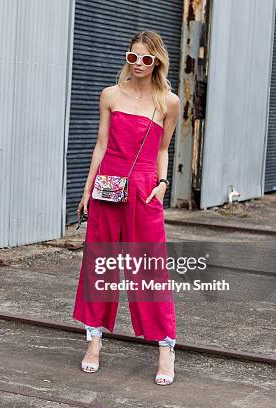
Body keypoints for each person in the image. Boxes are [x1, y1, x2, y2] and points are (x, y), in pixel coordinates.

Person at [73, 31, 180, 385]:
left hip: (144, 190)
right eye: (132, 57)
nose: (138, 64)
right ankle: (94, 342)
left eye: (146, 59)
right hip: (107, 188)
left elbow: (163, 149)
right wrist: (87, 190)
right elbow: (101, 144)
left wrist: (163, 184)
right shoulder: (110, 95)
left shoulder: (169, 102)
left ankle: (165, 348)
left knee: (149, 267)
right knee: (99, 265)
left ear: (157, 63)